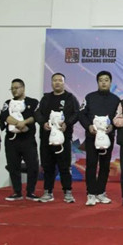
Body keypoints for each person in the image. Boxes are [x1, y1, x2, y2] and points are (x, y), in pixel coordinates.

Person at [34, 73, 80, 203]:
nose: (57, 82)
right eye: (55, 80)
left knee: (64, 166)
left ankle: (68, 192)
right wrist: (43, 123)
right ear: (51, 83)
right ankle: (47, 192)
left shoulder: (70, 98)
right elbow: (37, 113)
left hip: (63, 139)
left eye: (60, 80)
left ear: (64, 83)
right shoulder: (46, 98)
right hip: (47, 138)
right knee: (47, 166)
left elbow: (77, 114)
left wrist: (67, 123)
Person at [78, 71, 120, 206]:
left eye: (106, 80)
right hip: (92, 137)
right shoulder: (89, 97)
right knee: (91, 164)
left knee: (105, 165)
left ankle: (101, 192)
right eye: (101, 80)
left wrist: (113, 126)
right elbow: (81, 114)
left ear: (110, 82)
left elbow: (119, 118)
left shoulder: (116, 100)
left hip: (108, 137)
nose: (104, 82)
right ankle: (91, 193)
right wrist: (88, 126)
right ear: (97, 82)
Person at [0, 79, 40, 201]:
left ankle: (30, 192)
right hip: (12, 140)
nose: (14, 90)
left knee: (33, 165)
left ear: (23, 88)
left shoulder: (33, 102)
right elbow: (4, 116)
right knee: (13, 166)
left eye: (16, 87)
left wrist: (25, 122)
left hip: (28, 139)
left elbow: (35, 116)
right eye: (12, 88)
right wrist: (19, 124)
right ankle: (17, 192)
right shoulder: (8, 103)